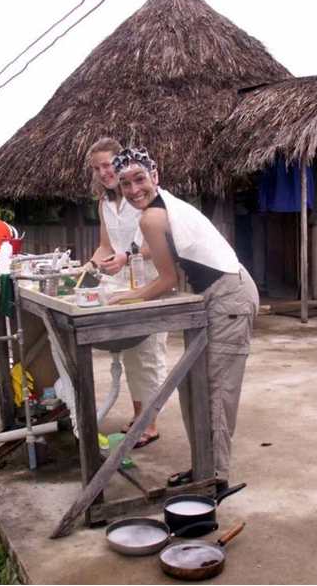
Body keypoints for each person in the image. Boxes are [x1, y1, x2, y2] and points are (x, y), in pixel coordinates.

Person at [109, 146, 259, 492]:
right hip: (213, 295)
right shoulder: (160, 209)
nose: (133, 190)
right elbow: (160, 254)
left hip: (229, 296)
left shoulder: (152, 216)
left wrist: (127, 296)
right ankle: (203, 467)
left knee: (217, 391)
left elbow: (166, 280)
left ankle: (215, 478)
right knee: (194, 387)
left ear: (154, 176)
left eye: (139, 180)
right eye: (125, 184)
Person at [85, 137, 168, 448]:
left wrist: (127, 257)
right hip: (121, 283)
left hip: (151, 279)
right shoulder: (105, 203)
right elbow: (106, 246)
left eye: (107, 164)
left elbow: (156, 242)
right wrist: (84, 269)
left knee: (149, 353)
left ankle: (151, 423)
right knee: (131, 354)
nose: (104, 172)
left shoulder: (140, 197)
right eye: (97, 168)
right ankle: (140, 416)